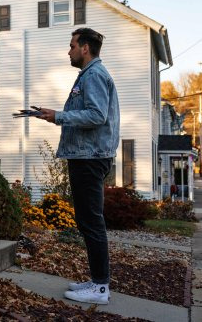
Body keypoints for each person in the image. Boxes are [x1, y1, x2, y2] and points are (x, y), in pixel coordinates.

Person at [36, 28, 120, 305]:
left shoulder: (94, 75)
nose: (68, 50)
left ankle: (100, 287)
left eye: (72, 45)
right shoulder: (90, 75)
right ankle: (98, 281)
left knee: (91, 221)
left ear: (85, 48)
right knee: (88, 220)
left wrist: (58, 116)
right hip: (88, 155)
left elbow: (97, 115)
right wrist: (55, 115)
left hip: (89, 156)